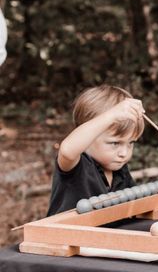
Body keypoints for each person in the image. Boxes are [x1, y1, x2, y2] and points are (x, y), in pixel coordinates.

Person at [47, 85, 145, 216]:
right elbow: (66, 151)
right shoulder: (77, 166)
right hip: (64, 236)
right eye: (115, 143)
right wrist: (112, 115)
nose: (124, 153)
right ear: (90, 136)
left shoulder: (121, 173)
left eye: (130, 143)